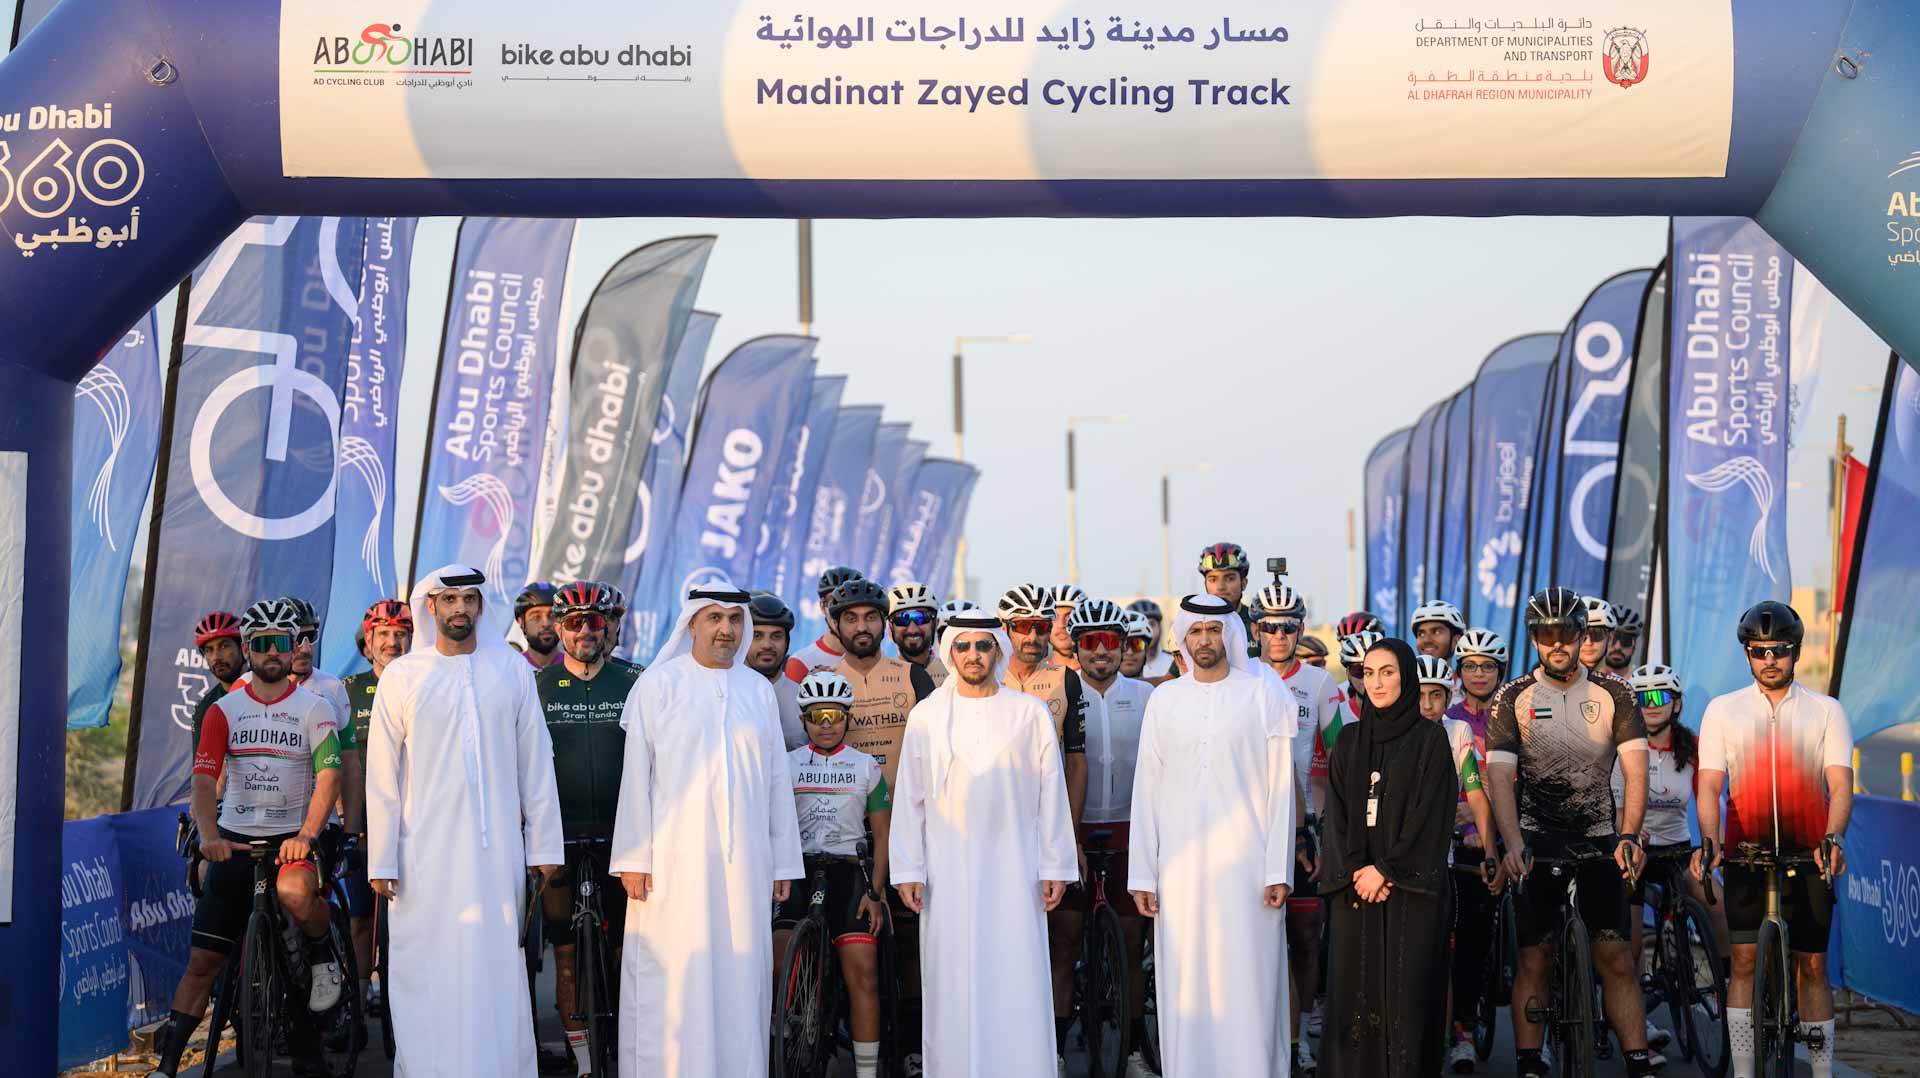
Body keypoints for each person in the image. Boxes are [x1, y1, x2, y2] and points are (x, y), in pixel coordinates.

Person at [365, 565, 565, 1077]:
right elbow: (382, 776)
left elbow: (536, 763)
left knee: (495, 968)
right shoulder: (404, 676)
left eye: (469, 600)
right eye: (449, 600)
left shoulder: (511, 670)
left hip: (497, 851)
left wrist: (544, 848)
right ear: (430, 607)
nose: (459, 610)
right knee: (424, 969)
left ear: (480, 607)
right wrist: (382, 856)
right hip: (421, 856)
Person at [610, 585, 804, 1078]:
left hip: (747, 867)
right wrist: (633, 857)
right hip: (671, 869)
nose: (726, 630)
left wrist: (783, 861)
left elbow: (777, 782)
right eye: (714, 618)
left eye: (734, 620)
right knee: (673, 979)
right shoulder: (659, 686)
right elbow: (636, 780)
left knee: (742, 978)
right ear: (692, 625)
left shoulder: (757, 690)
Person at [150, 600, 344, 1078]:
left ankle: (322, 952)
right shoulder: (222, 711)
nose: (272, 653)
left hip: (291, 841)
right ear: (249, 649)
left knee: (295, 892)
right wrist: (210, 837)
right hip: (235, 840)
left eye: (281, 643)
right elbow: (202, 780)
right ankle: (167, 1068)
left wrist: (307, 835)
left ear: (293, 646)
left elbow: (330, 777)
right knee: (202, 962)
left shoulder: (316, 708)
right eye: (261, 645)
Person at [890, 612, 1078, 1078]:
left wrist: (1055, 864)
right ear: (950, 653)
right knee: (952, 982)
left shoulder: (1028, 713)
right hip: (945, 875)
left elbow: (1051, 794)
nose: (973, 655)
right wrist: (908, 869)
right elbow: (910, 798)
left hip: (1016, 873)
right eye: (963, 646)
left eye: (983, 646)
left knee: (1015, 978)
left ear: (998, 651)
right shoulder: (927, 716)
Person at [1487, 587, 1657, 1078]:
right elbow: (1499, 776)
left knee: (1617, 958)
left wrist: (1629, 836)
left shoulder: (1614, 693)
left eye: (1565, 633)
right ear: (1534, 639)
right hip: (1537, 838)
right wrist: (1513, 844)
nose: (1556, 643)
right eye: (1545, 634)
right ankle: (1528, 1064)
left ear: (1583, 635)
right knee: (1535, 958)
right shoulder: (1512, 697)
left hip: (1600, 836)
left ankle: (1639, 1063)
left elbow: (1636, 771)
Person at [1127, 593, 1295, 1078]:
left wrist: (1277, 869)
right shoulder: (1164, 698)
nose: (1205, 640)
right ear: (1183, 637)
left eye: (1214, 630)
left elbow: (1281, 789)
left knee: (1248, 980)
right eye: (1196, 631)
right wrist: (1144, 873)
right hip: (1180, 871)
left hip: (1247, 869)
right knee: (1187, 983)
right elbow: (1147, 789)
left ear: (1232, 635)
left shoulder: (1264, 693)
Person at [1692, 601, 1853, 1078]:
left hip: (1809, 854)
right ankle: (1744, 1072)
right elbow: (1708, 787)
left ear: (1795, 652)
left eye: (1779, 650)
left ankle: (1821, 1072)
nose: (1769, 659)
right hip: (1746, 852)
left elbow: (1840, 786)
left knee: (1815, 967)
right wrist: (1710, 840)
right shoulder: (1724, 710)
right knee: (1742, 962)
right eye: (1759, 650)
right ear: (1747, 654)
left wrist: (1834, 836)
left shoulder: (1826, 711)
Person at [1319, 639, 1457, 1078]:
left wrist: (1387, 869)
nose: (1376, 683)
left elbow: (1430, 815)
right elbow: (1336, 813)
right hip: (1355, 889)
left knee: (1407, 999)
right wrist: (1359, 869)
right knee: (1353, 1000)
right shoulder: (1350, 740)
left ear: (1407, 678)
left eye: (1388, 672)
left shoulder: (1430, 739)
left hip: (1408, 890)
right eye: (1369, 673)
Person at [537, 581, 641, 1077]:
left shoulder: (637, 681)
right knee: (564, 955)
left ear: (610, 626)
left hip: (624, 838)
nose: (584, 629)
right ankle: (582, 1062)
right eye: (574, 621)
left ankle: (627, 1044)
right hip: (557, 834)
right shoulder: (535, 687)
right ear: (558, 627)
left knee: (626, 951)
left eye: (595, 620)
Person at [775, 671, 893, 1078]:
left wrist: (875, 894)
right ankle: (781, 1042)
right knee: (778, 961)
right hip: (798, 869)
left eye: (834, 715)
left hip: (849, 873)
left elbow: (883, 834)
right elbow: (772, 826)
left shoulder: (866, 767)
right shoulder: (785, 765)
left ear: (847, 718)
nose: (826, 724)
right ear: (804, 719)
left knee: (862, 971)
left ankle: (865, 1072)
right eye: (816, 715)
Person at [1057, 598, 1154, 1072]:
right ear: (1075, 648)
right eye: (1090, 642)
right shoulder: (1060, 693)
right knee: (1066, 940)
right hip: (1074, 825)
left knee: (1132, 939)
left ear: (1123, 647)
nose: (1101, 651)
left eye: (1111, 642)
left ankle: (1133, 1047)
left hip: (1129, 826)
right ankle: (1054, 1052)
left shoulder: (1145, 696)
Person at [998, 584, 1091, 1068]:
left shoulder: (1065, 680)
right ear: (1006, 630)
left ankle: (1052, 1050)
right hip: (997, 834)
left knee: (1061, 942)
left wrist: (1069, 836)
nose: (1033, 636)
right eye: (1022, 627)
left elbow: (1076, 763)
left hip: (1048, 826)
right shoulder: (983, 677)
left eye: (1040, 626)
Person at [1250, 580, 1342, 1073]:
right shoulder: (1243, 679)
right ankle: (1261, 1031)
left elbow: (1340, 751)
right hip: (1253, 829)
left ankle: (1300, 1031)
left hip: (1305, 828)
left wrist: (1325, 827)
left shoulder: (1319, 684)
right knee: (1259, 936)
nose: (1279, 636)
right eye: (1270, 627)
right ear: (1256, 629)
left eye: (1288, 627)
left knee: (1304, 935)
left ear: (1300, 630)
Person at [1617, 663, 1712, 1056]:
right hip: (1636, 848)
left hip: (1676, 847)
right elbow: (1615, 799)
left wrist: (1708, 844)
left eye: (1660, 697)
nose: (1651, 704)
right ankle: (1637, 1023)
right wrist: (1628, 831)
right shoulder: (1623, 743)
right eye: (1642, 697)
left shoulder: (1692, 746)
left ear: (1676, 703)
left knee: (1714, 905)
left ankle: (1726, 991)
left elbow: (1711, 795)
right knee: (1632, 944)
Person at [339, 597, 412, 1019]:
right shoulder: (348, 692)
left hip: (414, 819)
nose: (392, 642)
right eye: (383, 635)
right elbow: (336, 762)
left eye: (400, 634)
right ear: (367, 643)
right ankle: (360, 989)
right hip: (364, 819)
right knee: (362, 917)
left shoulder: (422, 683)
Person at [1443, 627, 1509, 1069]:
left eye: (1487, 666)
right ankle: (1463, 1030)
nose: (1479, 673)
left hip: (1515, 831)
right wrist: (1462, 812)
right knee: (1467, 940)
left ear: (1500, 670)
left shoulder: (1518, 713)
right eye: (1470, 666)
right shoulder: (1447, 716)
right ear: (1459, 671)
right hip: (1466, 839)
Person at [184, 611, 250, 773]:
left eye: (224, 646)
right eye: (209, 650)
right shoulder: (205, 709)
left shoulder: (270, 688)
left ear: (243, 648)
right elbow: (204, 775)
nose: (216, 657)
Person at [746, 591, 805, 749]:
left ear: (787, 643)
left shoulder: (804, 700)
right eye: (757, 636)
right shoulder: (726, 696)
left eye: (776, 636)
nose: (767, 645)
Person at [787, 566, 866, 679]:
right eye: (834, 602)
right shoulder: (801, 662)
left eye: (850, 602)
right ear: (822, 607)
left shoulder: (874, 658)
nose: (841, 611)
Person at [888, 581, 946, 686]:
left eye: (921, 618)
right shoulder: (880, 677)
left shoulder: (952, 675)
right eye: (902, 619)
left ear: (935, 623)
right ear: (890, 628)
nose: (912, 630)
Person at [1197, 542, 1255, 639]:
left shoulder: (1259, 625)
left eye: (1229, 578)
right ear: (1205, 584)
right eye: (1213, 579)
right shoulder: (1193, 625)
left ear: (1244, 583)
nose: (1220, 587)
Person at [515, 582, 563, 670]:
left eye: (552, 615)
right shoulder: (511, 669)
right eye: (536, 617)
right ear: (521, 622)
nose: (546, 624)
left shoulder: (578, 669)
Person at [1126, 598, 1175, 681]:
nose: (1146, 630)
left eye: (1151, 624)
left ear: (1160, 627)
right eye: (1140, 626)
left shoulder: (1173, 661)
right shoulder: (1117, 664)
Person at [1049, 582, 1087, 670]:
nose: (1061, 625)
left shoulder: (1104, 678)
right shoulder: (1034, 677)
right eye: (1054, 617)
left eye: (1069, 617)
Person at [1579, 596, 1619, 674]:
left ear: (1610, 638)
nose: (1588, 642)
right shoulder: (1555, 684)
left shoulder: (1621, 685)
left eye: (1597, 634)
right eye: (1581, 636)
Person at [1118, 609, 1156, 681]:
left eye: (1137, 645)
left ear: (1147, 651)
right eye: (1124, 645)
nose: (1130, 652)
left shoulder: (1158, 691)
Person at [1606, 605, 1644, 675]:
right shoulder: (1584, 680)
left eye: (1626, 640)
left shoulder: (1640, 683)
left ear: (1634, 646)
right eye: (1611, 639)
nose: (1618, 647)